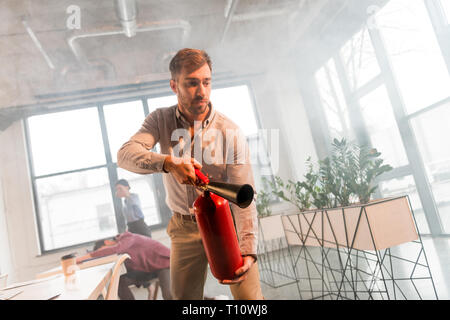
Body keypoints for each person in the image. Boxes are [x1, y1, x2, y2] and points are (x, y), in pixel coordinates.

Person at [117, 48, 264, 300]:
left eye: (206, 82)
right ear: (174, 86)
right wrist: (169, 163)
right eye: (192, 83)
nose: (202, 91)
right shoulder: (159, 121)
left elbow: (244, 198)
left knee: (250, 302)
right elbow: (125, 155)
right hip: (184, 227)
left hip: (226, 224)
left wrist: (248, 249)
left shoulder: (231, 132)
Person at [76, 231, 172, 300]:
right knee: (118, 281)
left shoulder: (127, 237)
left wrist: (82, 258)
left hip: (165, 264)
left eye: (102, 250)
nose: (104, 253)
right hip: (150, 270)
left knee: (168, 295)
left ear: (107, 242)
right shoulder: (123, 251)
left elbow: (114, 249)